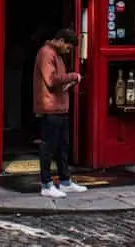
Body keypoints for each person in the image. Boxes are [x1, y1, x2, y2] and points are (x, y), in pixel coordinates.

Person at [33, 28, 87, 199]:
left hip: (60, 107)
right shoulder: (46, 53)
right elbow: (51, 80)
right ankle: (46, 184)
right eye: (69, 47)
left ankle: (65, 181)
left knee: (63, 147)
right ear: (61, 41)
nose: (68, 51)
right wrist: (72, 77)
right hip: (50, 108)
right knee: (48, 148)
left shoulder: (56, 55)